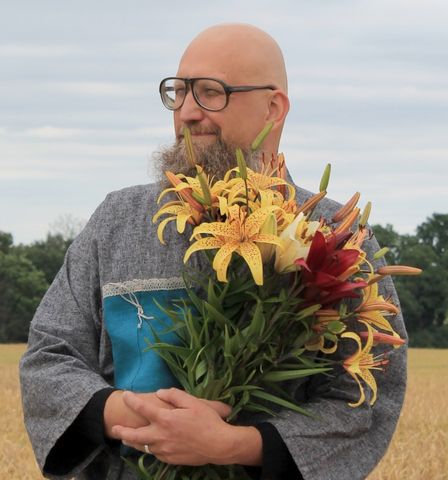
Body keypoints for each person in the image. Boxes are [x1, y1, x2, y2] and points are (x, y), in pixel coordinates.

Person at [20, 23, 407, 480]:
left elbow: (366, 399)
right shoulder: (118, 220)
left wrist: (233, 446)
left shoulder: (337, 236)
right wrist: (129, 412)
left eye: (210, 92)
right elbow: (49, 354)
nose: (187, 112)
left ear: (273, 108)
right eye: (179, 92)